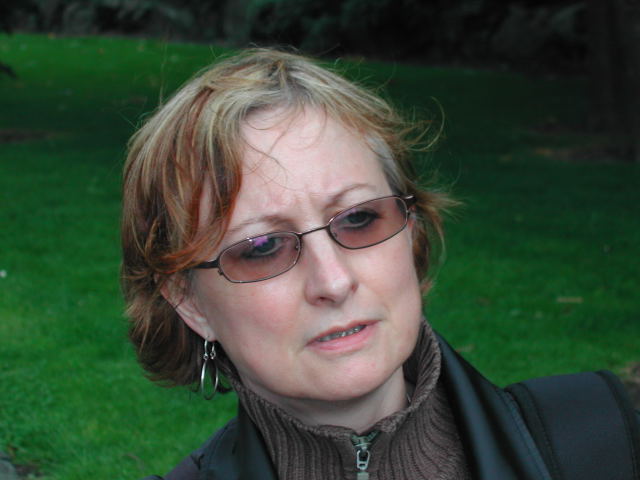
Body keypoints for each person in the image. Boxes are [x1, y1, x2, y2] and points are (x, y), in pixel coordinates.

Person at [121, 49, 639, 480]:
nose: (334, 281)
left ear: (411, 228)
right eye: (262, 247)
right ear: (189, 302)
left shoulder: (603, 442)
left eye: (359, 218)